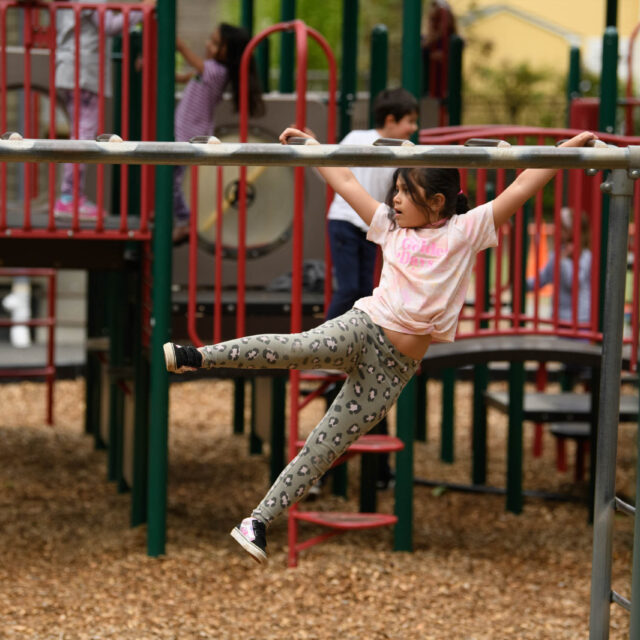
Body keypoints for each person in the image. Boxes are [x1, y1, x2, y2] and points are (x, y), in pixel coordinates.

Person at [162, 128, 597, 564]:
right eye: (397, 190)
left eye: (407, 192)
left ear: (437, 202)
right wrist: (315, 149)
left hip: (392, 370)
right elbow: (347, 183)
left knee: (326, 443)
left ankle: (257, 521)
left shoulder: (466, 232)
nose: (396, 199)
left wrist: (565, 151)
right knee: (295, 348)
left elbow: (523, 184)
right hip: (365, 327)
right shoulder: (390, 227)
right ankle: (196, 356)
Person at [315, 87, 418, 496]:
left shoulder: (398, 146)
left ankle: (347, 324)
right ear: (390, 119)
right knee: (353, 285)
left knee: (364, 286)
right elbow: (332, 164)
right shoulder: (358, 139)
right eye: (408, 120)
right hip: (346, 217)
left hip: (368, 222)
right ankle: (334, 327)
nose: (412, 128)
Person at [54, 0, 155, 219]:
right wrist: (143, 9)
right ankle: (69, 197)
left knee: (79, 133)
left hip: (69, 67)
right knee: (83, 136)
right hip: (84, 73)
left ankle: (70, 196)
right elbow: (110, 27)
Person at [172, 24, 264, 245]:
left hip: (190, 133)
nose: (208, 45)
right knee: (173, 179)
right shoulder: (209, 68)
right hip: (184, 130)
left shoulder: (216, 71)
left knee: (174, 181)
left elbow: (187, 55)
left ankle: (185, 221)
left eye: (214, 43)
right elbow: (184, 77)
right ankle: (177, 215)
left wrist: (174, 41)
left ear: (228, 51)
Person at [526, 206, 591, 327]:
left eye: (562, 228)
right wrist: (522, 284)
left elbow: (574, 282)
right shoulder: (558, 254)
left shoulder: (585, 256)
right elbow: (543, 278)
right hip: (560, 319)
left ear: (572, 231)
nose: (557, 230)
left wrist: (564, 260)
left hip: (580, 319)